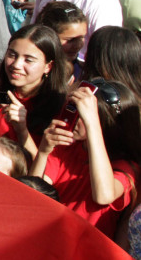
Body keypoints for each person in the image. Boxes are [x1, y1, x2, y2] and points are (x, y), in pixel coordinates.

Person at [30, 79, 140, 238]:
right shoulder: (67, 148)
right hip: (49, 237)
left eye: (80, 114)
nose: (73, 118)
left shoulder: (126, 167)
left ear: (102, 121)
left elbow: (103, 195)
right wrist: (43, 152)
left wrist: (92, 124)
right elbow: (33, 191)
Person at [0, 24, 71, 158]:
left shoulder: (60, 110)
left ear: (48, 66)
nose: (16, 65)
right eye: (12, 55)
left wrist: (22, 130)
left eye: (28, 60)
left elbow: (43, 173)